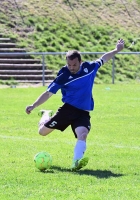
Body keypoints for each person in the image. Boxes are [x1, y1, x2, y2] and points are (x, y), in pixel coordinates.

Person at [25, 39, 125, 171]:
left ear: (80, 62)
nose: (71, 67)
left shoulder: (89, 68)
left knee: (82, 134)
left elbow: (103, 58)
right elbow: (48, 93)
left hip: (83, 112)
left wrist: (116, 50)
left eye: (74, 65)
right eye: (69, 65)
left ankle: (75, 163)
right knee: (42, 132)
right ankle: (45, 114)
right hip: (68, 110)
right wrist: (34, 105)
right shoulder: (63, 76)